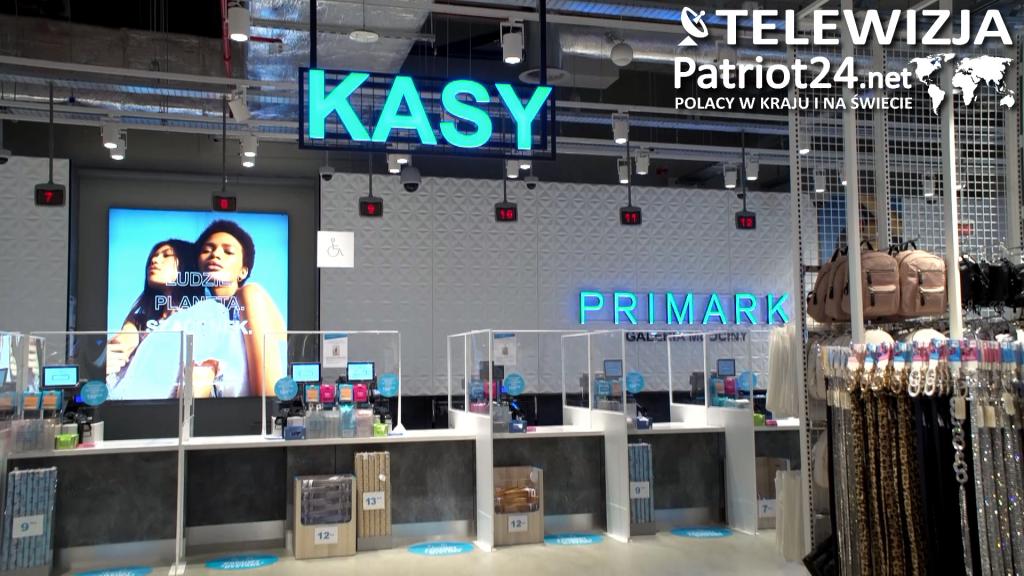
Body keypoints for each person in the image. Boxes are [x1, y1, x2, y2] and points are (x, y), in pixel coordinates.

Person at [195, 220, 286, 397]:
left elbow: (267, 396)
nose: (215, 255)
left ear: (243, 271)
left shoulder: (250, 294)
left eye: (228, 252)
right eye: (207, 250)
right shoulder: (204, 316)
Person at [107, 239, 202, 382]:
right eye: (153, 256)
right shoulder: (138, 320)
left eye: (166, 255)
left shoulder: (202, 316)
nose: (154, 260)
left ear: (186, 264)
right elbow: (123, 343)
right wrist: (110, 355)